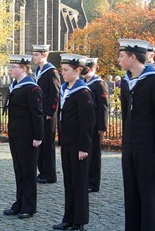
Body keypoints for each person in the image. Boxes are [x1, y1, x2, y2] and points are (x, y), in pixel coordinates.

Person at [52, 54, 94, 230]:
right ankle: (68, 218)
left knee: (79, 183)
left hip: (79, 145)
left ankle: (79, 221)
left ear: (77, 70)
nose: (63, 73)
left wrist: (84, 148)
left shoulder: (83, 92)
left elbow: (87, 123)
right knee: (69, 182)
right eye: (62, 70)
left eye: (66, 70)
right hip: (67, 142)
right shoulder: (65, 88)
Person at [118, 38, 155, 231]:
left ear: (133, 57)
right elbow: (125, 115)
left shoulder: (152, 80)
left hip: (149, 146)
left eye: (122, 56)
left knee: (148, 193)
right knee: (131, 192)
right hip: (130, 144)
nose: (119, 60)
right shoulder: (125, 81)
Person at [3, 54, 43, 219]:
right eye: (11, 67)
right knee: (19, 170)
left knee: (28, 171)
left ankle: (29, 206)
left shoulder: (31, 88)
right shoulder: (15, 85)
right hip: (16, 135)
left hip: (27, 136)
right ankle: (19, 203)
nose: (11, 69)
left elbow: (37, 114)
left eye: (14, 67)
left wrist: (37, 136)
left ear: (24, 68)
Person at [32, 45, 60, 184]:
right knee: (41, 144)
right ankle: (42, 171)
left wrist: (51, 112)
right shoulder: (39, 70)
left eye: (36, 54)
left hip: (48, 113)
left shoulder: (51, 71)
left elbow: (55, 93)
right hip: (40, 111)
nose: (34, 57)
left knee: (48, 144)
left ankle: (49, 174)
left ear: (44, 55)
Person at [83, 58, 109, 193]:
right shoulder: (83, 83)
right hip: (86, 125)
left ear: (93, 68)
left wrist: (102, 126)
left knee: (94, 155)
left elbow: (104, 107)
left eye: (86, 68)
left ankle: (93, 183)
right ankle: (86, 179)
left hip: (95, 126)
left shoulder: (99, 84)